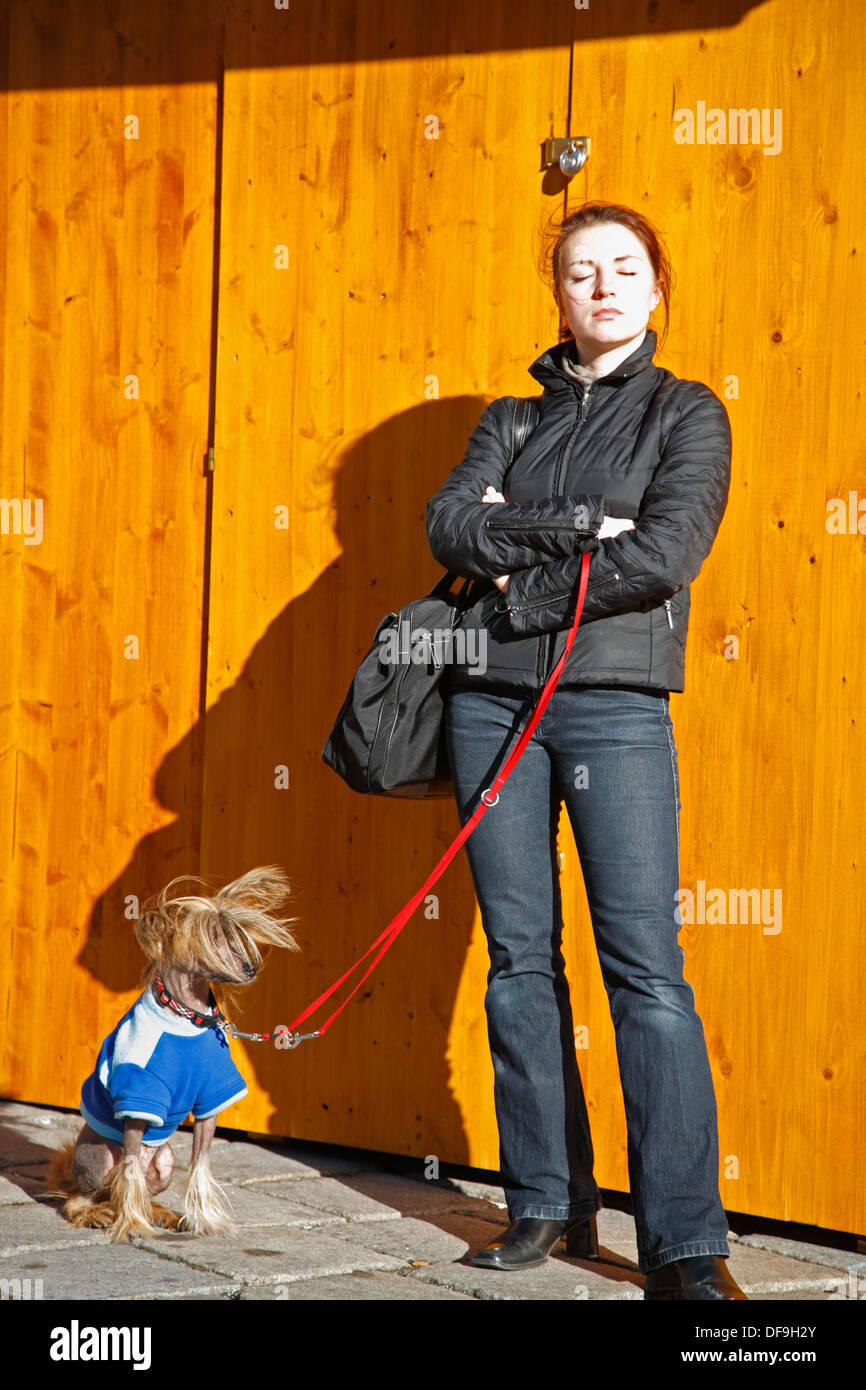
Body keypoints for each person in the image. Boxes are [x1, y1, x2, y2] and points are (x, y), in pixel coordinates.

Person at [425, 201, 746, 1301]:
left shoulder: (688, 413)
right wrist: (569, 531)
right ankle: (545, 1206)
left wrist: (520, 577)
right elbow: (449, 525)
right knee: (518, 962)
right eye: (577, 272)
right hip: (488, 708)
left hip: (610, 704)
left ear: (655, 289)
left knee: (644, 969)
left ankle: (682, 1241)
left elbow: (661, 553)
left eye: (621, 269)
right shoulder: (507, 419)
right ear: (555, 294)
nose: (600, 286)